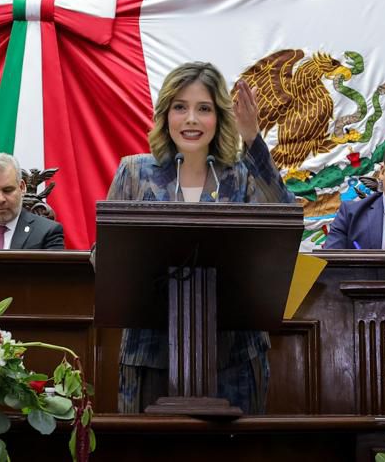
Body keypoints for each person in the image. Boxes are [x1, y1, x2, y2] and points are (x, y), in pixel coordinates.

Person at [105, 61, 296, 415]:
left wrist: (252, 140)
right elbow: (103, 256)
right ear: (165, 115)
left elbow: (284, 223)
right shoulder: (133, 172)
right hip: (150, 354)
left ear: (220, 118)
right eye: (180, 107)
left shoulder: (240, 175)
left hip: (235, 357)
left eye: (204, 109)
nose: (191, 119)